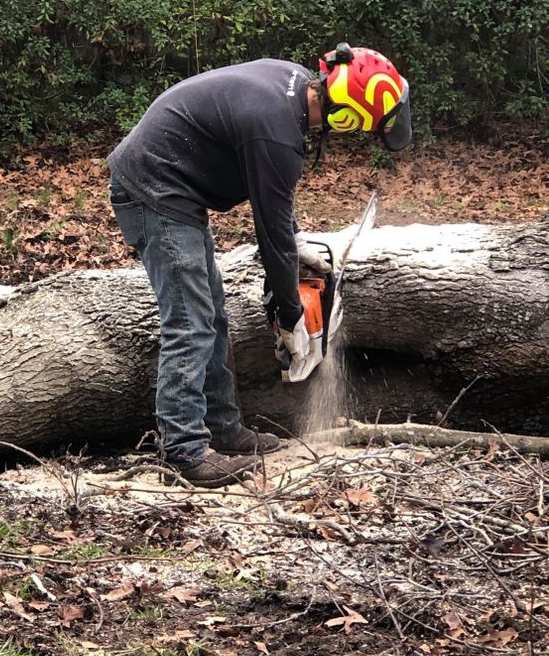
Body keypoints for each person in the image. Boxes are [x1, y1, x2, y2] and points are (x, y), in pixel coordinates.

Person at [108, 44, 412, 487]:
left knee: (211, 315)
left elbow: (273, 200)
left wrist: (297, 241)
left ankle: (225, 429)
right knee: (190, 321)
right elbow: (269, 236)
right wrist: (291, 317)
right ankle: (186, 451)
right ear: (348, 114)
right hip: (153, 189)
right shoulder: (276, 131)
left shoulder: (291, 86)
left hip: (175, 187)